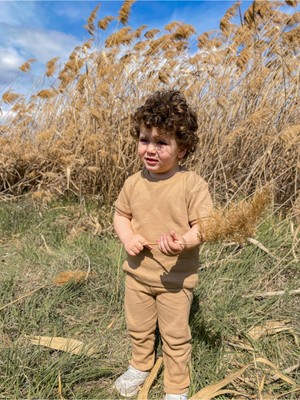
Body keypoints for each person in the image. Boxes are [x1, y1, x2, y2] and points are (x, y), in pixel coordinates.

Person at [113, 90, 212, 400]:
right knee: (139, 328)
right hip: (137, 276)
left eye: (161, 142)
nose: (150, 150)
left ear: (182, 149)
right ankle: (140, 366)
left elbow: (205, 227)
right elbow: (121, 215)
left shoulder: (191, 184)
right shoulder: (133, 182)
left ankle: (176, 387)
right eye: (145, 140)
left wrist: (183, 242)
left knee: (175, 335)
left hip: (175, 280)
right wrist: (128, 237)